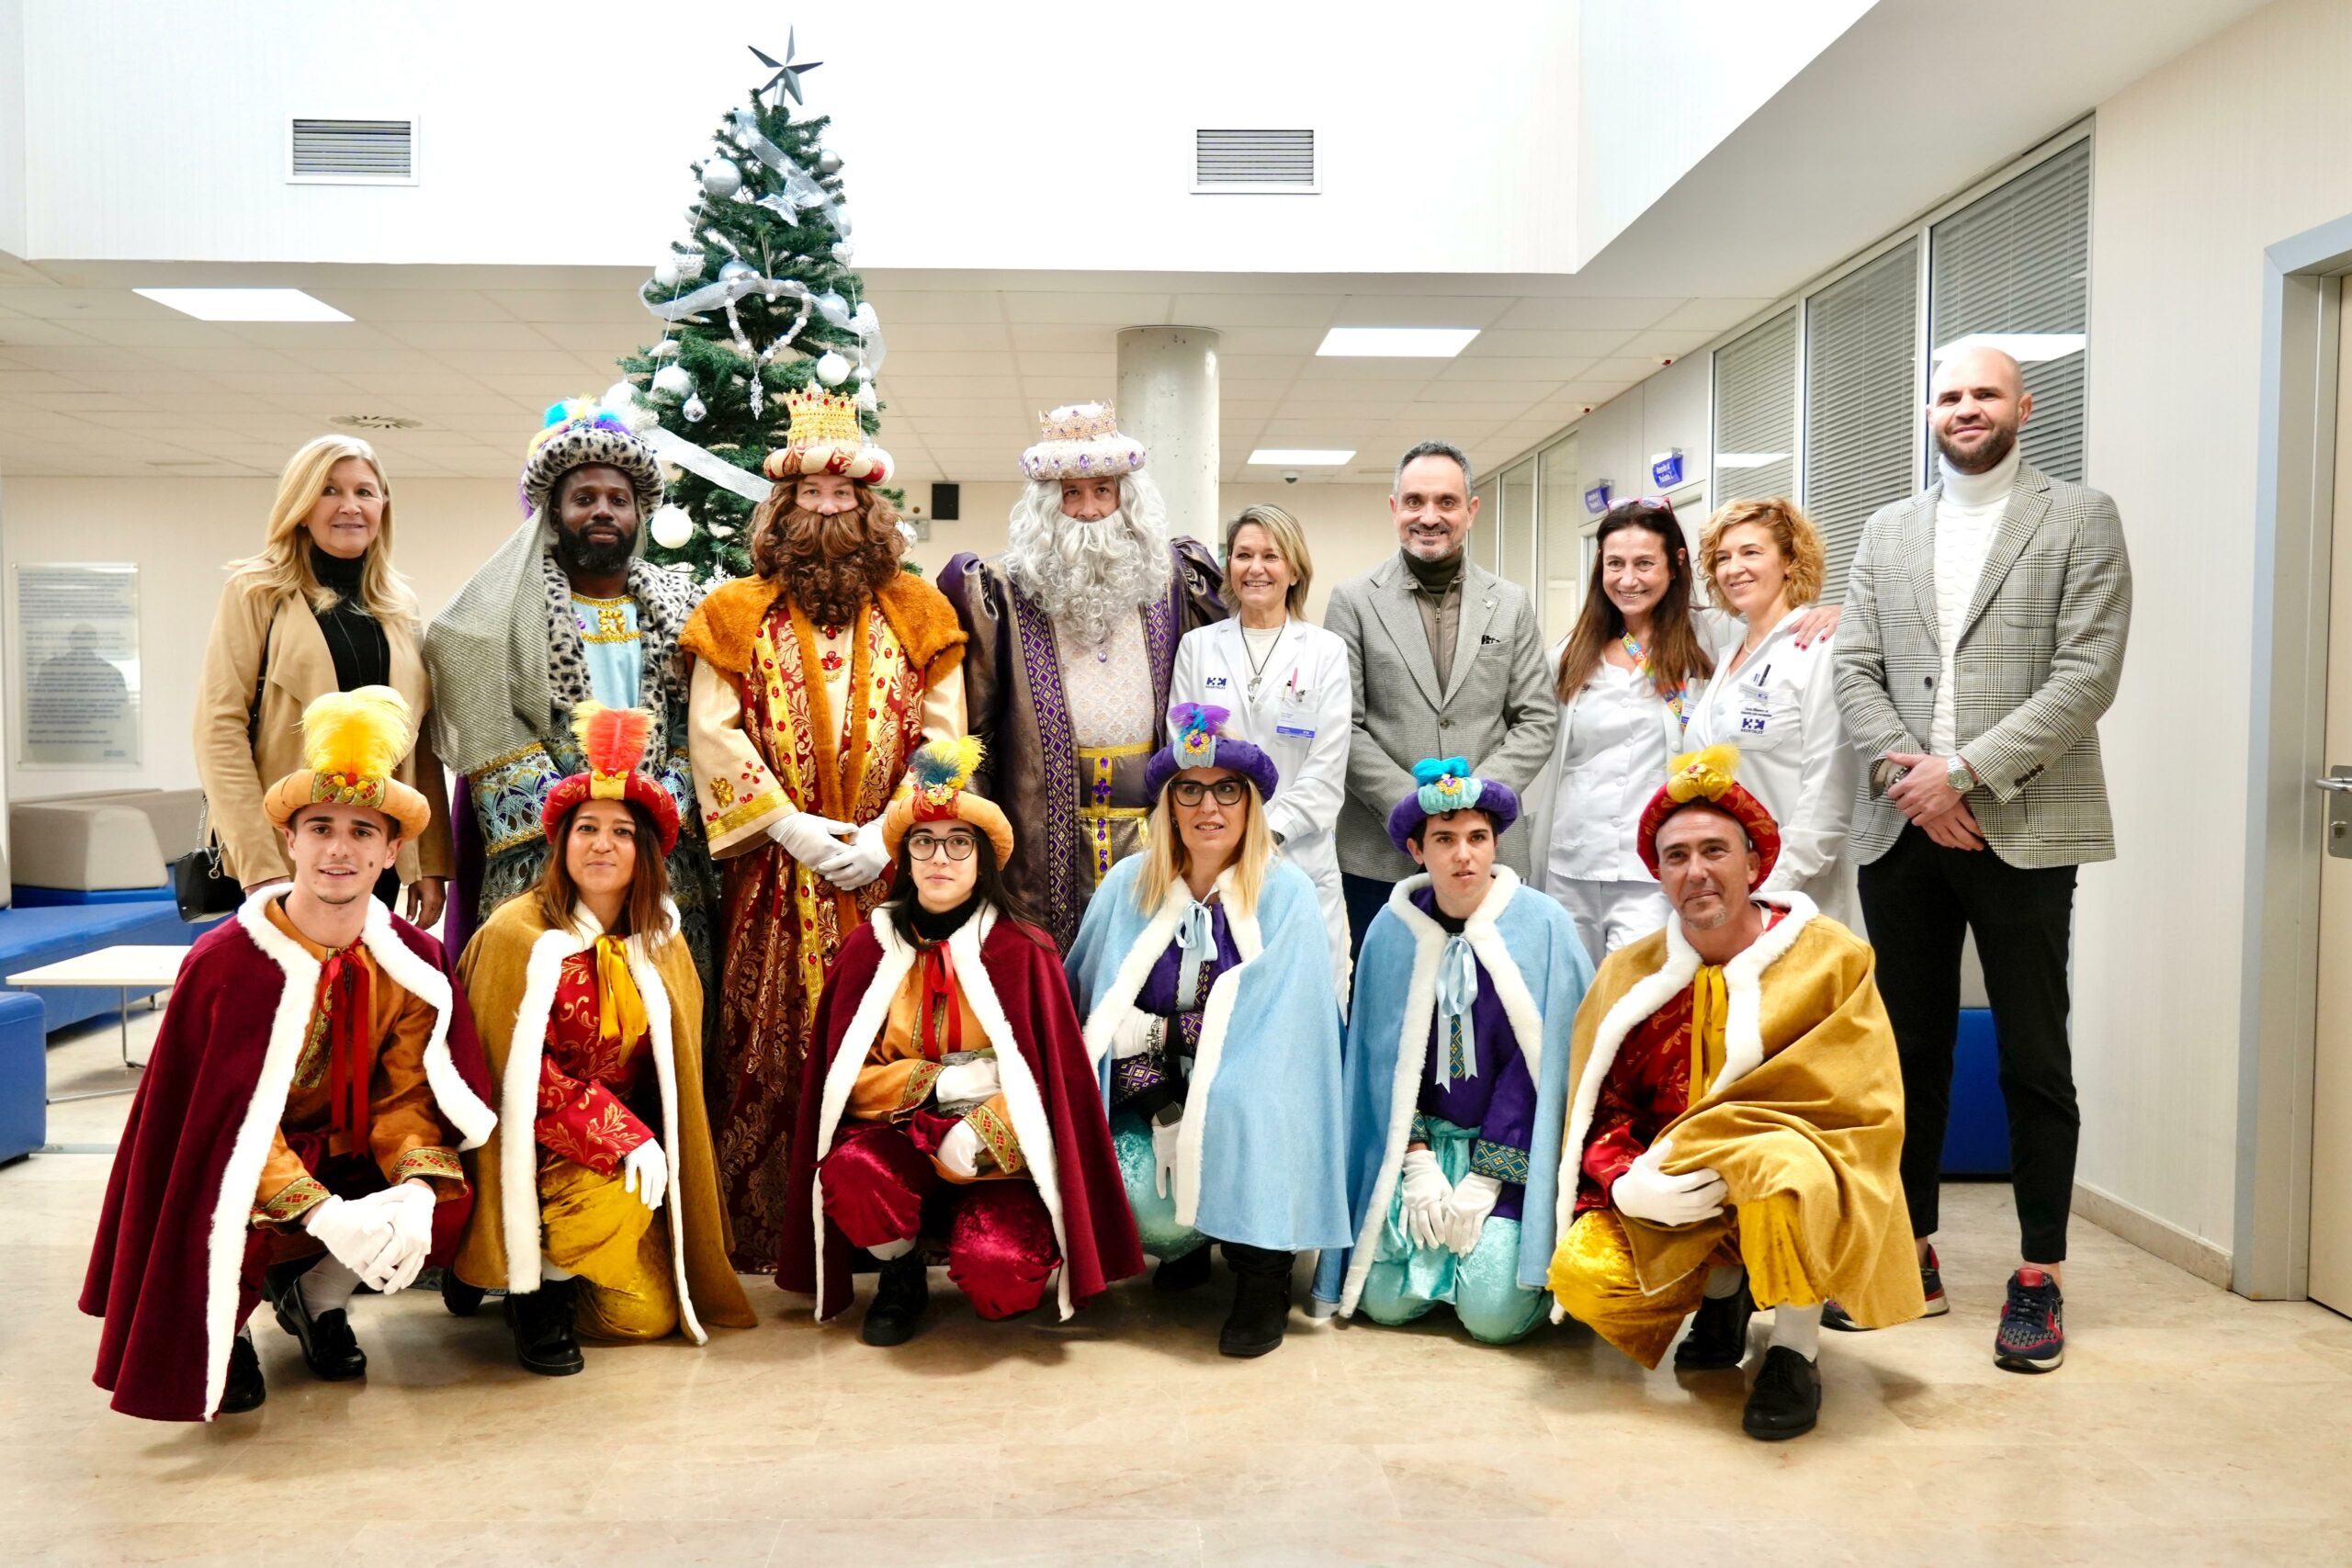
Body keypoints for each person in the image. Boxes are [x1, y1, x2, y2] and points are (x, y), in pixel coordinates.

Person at [1831, 342, 2132, 1373]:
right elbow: (1855, 668)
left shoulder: (2078, 516)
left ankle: (2037, 1275)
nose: (1966, 409)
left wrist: (1960, 774)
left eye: (1985, 394)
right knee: (1903, 1052)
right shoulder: (1885, 528)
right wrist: (1907, 782)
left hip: (2025, 823)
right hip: (1902, 831)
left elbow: (2087, 673)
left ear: (2023, 407)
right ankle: (1908, 1252)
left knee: (2031, 1055)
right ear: (1928, 412)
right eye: (1950, 395)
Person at [82, 688, 496, 1421]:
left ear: (391, 850)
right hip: (251, 1158)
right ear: (292, 842)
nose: (340, 849)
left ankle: (318, 1300)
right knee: (219, 1187)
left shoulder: (411, 960)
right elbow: (224, 1124)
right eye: (321, 828)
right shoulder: (226, 962)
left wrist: (410, 1192)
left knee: (448, 1188)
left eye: (363, 831)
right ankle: (226, 1325)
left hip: (346, 1146)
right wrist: (325, 1213)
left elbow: (409, 1095)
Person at [1546, 746, 1921, 1440]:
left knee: (1784, 1172)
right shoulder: (1627, 976)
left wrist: (1744, 1155)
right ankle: (1723, 1293)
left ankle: (1792, 1349)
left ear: (1754, 862)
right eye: (1676, 855)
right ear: (1658, 874)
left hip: (1794, 1187)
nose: (1697, 870)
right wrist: (1624, 1179)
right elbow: (1600, 1108)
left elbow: (1860, 1111)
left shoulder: (1832, 959)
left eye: (1714, 849)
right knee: (1584, 1278)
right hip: (1679, 1192)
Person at [683, 389, 967, 1270]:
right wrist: (790, 827)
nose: (828, 511)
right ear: (784, 506)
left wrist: (891, 831)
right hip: (779, 876)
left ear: (869, 506)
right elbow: (713, 731)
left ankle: (898, 1232)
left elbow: (946, 736)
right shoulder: (734, 612)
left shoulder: (921, 609)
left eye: (844, 497)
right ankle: (776, 1227)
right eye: (811, 496)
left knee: (899, 1042)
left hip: (895, 871)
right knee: (772, 1044)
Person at [779, 739, 1143, 1344]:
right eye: (924, 842)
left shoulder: (1026, 952)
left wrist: (984, 1127)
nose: (939, 857)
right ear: (905, 857)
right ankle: (899, 1273)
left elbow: (1057, 1085)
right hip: (900, 1143)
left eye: (957, 842)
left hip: (1001, 1161)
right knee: (851, 1170)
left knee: (1002, 1282)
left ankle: (992, 1252)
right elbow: (845, 1083)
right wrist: (936, 1082)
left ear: (982, 860)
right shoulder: (869, 949)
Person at [450, 703, 754, 1374]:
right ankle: (531, 1286)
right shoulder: (515, 936)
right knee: (610, 1206)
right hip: (527, 1150)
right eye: (585, 828)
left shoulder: (661, 941)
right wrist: (621, 1135)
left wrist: (647, 1138)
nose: (601, 843)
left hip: (610, 1154)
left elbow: (671, 1073)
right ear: (560, 844)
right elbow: (507, 1073)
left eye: (621, 831)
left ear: (645, 851)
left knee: (642, 1318)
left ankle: (559, 1267)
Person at [1065, 705, 1350, 1358]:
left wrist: (1163, 1033)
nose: (1208, 806)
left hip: (1251, 1085)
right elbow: (1096, 1020)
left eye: (1227, 790)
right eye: (1189, 790)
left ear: (1251, 806)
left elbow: (1284, 1035)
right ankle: (1186, 1243)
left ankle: (1263, 1271)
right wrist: (1159, 1103)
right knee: (1138, 1180)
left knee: (1242, 1103)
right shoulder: (1123, 887)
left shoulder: (1288, 895)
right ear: (1168, 806)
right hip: (1158, 1088)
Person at [424, 398, 717, 975]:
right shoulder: (506, 609)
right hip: (545, 857)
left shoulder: (683, 608)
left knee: (662, 1013)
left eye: (618, 500)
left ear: (639, 515)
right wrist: (575, 821)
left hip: (663, 855)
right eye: (584, 499)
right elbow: (487, 720)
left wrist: (658, 808)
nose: (603, 512)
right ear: (554, 516)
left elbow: (700, 721)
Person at [1311, 759, 1591, 1344]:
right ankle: (1436, 1258)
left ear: (1495, 844)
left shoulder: (1542, 926)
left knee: (1493, 1314)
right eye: (1445, 840)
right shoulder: (1393, 930)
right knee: (1384, 1305)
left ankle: (1509, 1275)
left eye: (1477, 838)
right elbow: (1381, 1063)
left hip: (1513, 1152)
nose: (1463, 855)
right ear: (1417, 849)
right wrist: (1416, 1162)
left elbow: (1544, 1065)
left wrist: (1489, 1176)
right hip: (1423, 1151)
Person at [940, 403, 1225, 951]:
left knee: (1153, 963)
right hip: (1041, 825)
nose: (1090, 510)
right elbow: (972, 730)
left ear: (1127, 497)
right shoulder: (999, 589)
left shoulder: (1175, 579)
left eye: (1103, 491)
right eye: (1072, 494)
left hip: (1159, 818)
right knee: (1050, 968)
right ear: (1049, 504)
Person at [197, 434, 452, 924]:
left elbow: (418, 739)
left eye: (365, 491)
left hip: (372, 854)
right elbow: (218, 730)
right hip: (283, 854)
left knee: (361, 995)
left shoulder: (400, 607)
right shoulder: (255, 591)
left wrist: (428, 858)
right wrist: (259, 863)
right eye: (329, 491)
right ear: (300, 503)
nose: (350, 506)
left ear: (383, 504)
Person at [1326, 440, 1555, 959]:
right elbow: (1343, 724)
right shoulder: (1354, 601)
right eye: (1414, 502)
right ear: (1394, 509)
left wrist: (1478, 800)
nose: (1429, 517)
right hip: (1381, 856)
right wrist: (1415, 807)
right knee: (1390, 1007)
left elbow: (1537, 716)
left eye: (1446, 502)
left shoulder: (1510, 603)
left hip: (1489, 852)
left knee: (1498, 1006)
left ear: (1471, 511)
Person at [1168, 503, 1352, 999]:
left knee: (1309, 1006)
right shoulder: (1198, 647)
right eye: (1243, 554)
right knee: (1221, 1006)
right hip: (1216, 860)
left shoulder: (1325, 651)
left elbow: (1326, 773)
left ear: (1294, 569)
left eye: (1271, 556)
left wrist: (1261, 833)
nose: (1256, 567)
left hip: (1299, 855)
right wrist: (1229, 833)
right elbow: (1187, 754)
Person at [1526, 498, 1714, 964]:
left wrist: (1825, 615)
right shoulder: (1571, 653)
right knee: (1570, 1002)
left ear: (1675, 564)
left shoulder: (1711, 639)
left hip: (1653, 869)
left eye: (1644, 563)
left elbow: (1778, 631)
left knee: (1637, 1002)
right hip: (1571, 862)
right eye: (1615, 564)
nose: (1628, 579)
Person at [1684, 499, 1860, 923]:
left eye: (1751, 552)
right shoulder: (1726, 656)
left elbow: (1829, 789)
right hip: (1724, 888)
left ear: (1789, 561)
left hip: (1793, 893)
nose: (1733, 568)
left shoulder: (1818, 648)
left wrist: (1769, 888)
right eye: (1722, 558)